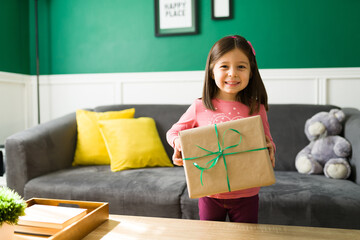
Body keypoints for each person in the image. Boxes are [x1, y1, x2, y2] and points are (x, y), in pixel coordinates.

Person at [166, 35, 276, 223]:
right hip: (209, 193)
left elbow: (267, 140)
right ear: (211, 71)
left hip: (247, 193)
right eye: (224, 66)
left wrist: (270, 148)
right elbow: (173, 132)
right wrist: (179, 144)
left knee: (246, 237)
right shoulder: (199, 107)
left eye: (241, 66)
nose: (233, 73)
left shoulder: (257, 108)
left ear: (251, 72)